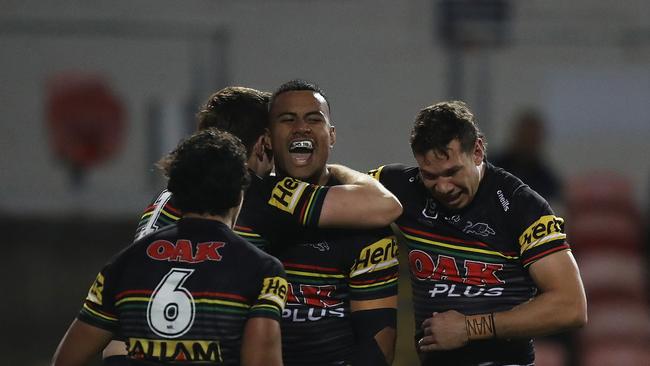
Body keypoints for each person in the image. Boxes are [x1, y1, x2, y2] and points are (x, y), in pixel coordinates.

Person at [369, 100, 587, 365]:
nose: (443, 187)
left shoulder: (520, 205)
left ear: (478, 152)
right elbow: (343, 185)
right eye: (431, 176)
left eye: (452, 172)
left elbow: (571, 306)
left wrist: (470, 328)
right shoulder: (403, 188)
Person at [51, 129, 287, 366]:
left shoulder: (124, 264)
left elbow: (65, 360)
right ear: (239, 193)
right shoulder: (262, 271)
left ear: (175, 191)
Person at [263, 80, 398, 366]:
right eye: (287, 120)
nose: (301, 127)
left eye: (314, 119)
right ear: (268, 138)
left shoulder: (366, 221)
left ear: (332, 135)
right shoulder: (245, 206)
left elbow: (380, 342)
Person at [491, 108, 561, 204]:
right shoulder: (492, 166)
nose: (528, 141)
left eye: (533, 137)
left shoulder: (547, 181)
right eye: (525, 135)